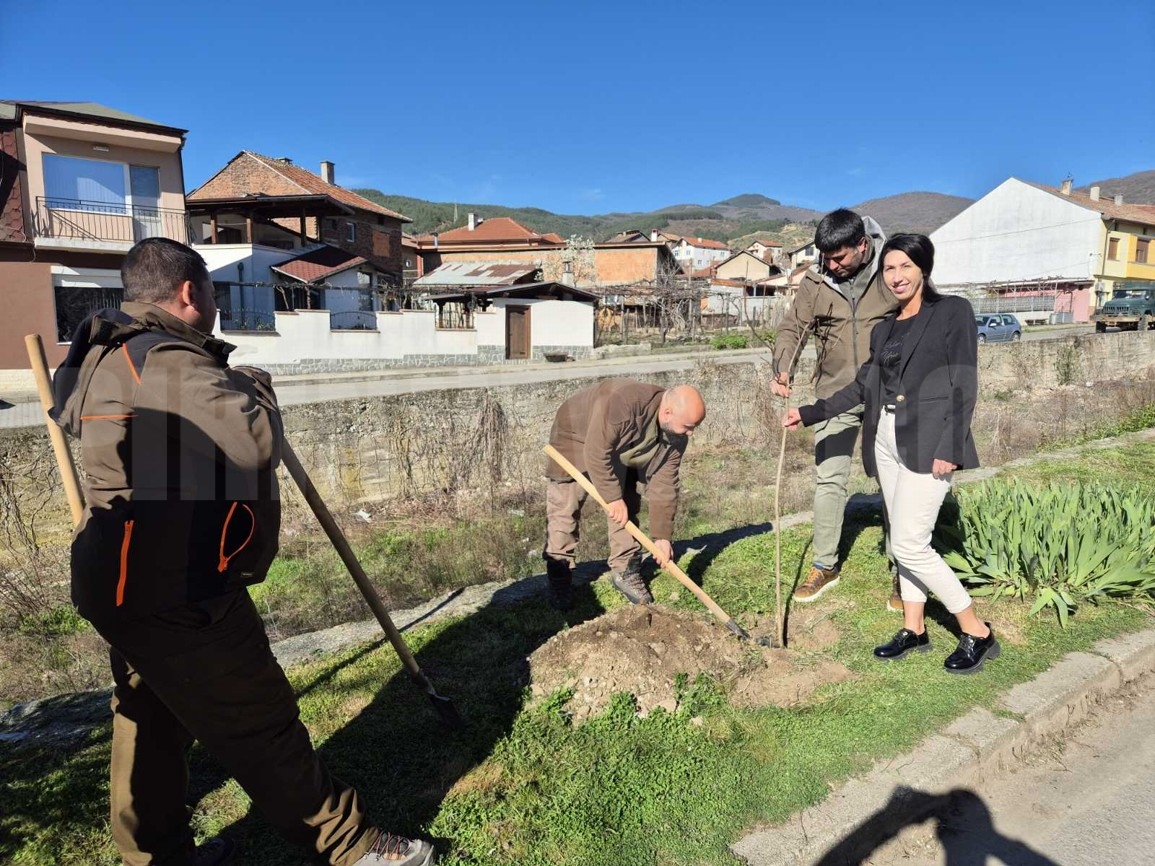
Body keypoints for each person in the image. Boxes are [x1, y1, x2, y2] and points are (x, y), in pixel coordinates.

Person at [52, 238, 434, 866]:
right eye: (209, 292)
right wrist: (251, 386)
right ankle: (353, 846)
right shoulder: (166, 361)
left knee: (149, 719)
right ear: (189, 293)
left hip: (118, 581)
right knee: (258, 719)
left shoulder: (103, 354)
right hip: (177, 588)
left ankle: (159, 856)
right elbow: (253, 439)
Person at [784, 234, 1000, 674]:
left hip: (929, 442)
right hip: (885, 439)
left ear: (924, 267)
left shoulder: (952, 312)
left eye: (905, 266)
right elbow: (862, 387)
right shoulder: (886, 328)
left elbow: (964, 382)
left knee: (908, 543)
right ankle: (914, 628)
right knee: (904, 541)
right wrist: (808, 413)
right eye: (889, 269)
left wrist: (951, 446)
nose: (897, 276)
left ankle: (976, 629)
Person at [772, 209, 901, 608]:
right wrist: (782, 367)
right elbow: (794, 327)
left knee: (894, 482)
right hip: (833, 395)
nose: (831, 265)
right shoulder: (815, 281)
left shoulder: (893, 269)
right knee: (829, 481)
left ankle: (905, 569)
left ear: (863, 246)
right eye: (825, 257)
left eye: (840, 258)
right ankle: (826, 565)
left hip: (888, 393)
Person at [543, 379, 706, 609]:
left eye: (694, 427)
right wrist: (612, 497)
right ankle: (559, 576)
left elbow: (665, 482)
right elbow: (596, 452)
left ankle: (625, 569)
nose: (690, 434)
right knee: (565, 507)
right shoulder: (623, 404)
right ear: (668, 412)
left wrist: (662, 536)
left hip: (620, 447)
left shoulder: (676, 433)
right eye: (688, 426)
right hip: (574, 433)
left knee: (626, 504)